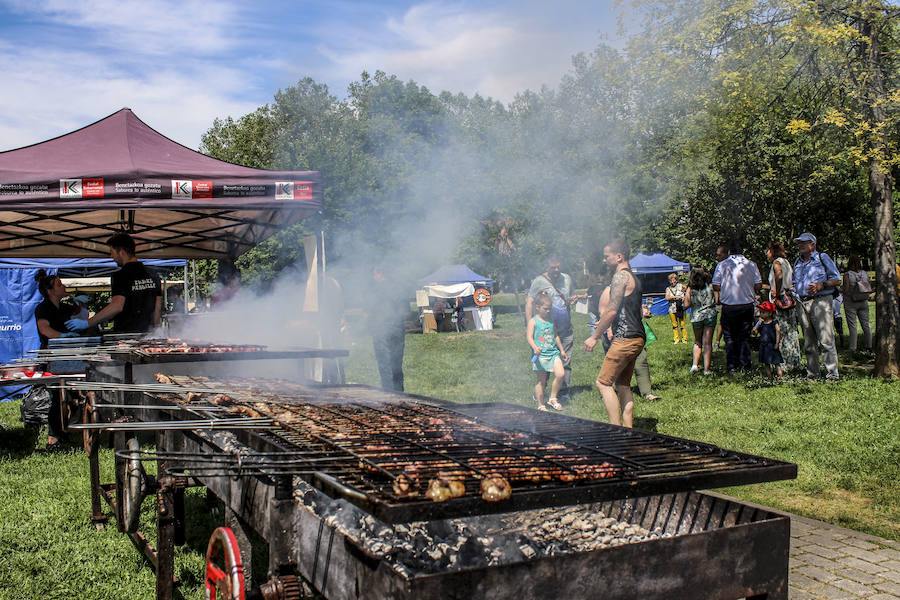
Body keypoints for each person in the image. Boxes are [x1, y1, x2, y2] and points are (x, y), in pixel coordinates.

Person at [584, 239, 645, 428]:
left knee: (603, 383)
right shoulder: (633, 277)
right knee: (623, 385)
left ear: (619, 257)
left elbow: (611, 310)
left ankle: (615, 430)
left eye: (607, 256)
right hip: (637, 338)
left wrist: (594, 336)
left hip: (625, 339)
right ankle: (628, 431)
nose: (604, 260)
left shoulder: (620, 277)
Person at [66, 233, 161, 334]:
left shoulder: (120, 276)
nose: (111, 257)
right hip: (148, 336)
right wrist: (156, 332)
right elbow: (157, 308)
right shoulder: (153, 274)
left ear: (122, 252)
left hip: (125, 336)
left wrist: (87, 323)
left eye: (112, 252)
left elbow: (117, 306)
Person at [32, 270, 78, 449]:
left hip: (68, 356)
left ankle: (65, 430)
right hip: (51, 356)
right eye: (59, 284)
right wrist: (65, 337)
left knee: (73, 394)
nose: (64, 286)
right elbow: (45, 330)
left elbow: (83, 317)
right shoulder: (42, 308)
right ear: (50, 291)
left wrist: (81, 307)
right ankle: (54, 437)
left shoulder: (66, 308)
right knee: (56, 397)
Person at [596, 285, 660, 401]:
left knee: (642, 360)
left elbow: (639, 308)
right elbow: (604, 312)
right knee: (613, 365)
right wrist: (609, 330)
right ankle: (606, 390)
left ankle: (647, 393)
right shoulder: (609, 290)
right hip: (615, 333)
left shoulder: (633, 290)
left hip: (634, 332)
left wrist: (644, 311)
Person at [792, 233, 841, 381]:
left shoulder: (822, 258)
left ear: (812, 244)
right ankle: (813, 374)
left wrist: (822, 285)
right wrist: (794, 292)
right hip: (802, 302)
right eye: (799, 243)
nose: (800, 245)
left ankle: (832, 374)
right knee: (808, 341)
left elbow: (837, 280)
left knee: (826, 339)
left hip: (821, 301)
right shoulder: (797, 262)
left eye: (804, 243)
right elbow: (794, 282)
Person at [526, 256, 575, 402]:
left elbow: (569, 296)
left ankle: (563, 392)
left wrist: (573, 299)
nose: (556, 270)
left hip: (565, 329)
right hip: (543, 331)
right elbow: (529, 301)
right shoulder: (539, 281)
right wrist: (530, 324)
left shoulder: (567, 278)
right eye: (553, 267)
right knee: (544, 361)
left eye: (558, 267)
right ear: (547, 267)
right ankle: (541, 391)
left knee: (565, 361)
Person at [712, 243, 762, 372]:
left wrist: (727, 286)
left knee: (729, 337)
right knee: (744, 336)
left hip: (729, 305)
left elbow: (715, 286)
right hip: (746, 305)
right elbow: (758, 285)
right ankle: (745, 364)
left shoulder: (722, 265)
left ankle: (732, 365)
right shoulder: (751, 264)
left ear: (729, 252)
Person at [368, 263, 408, 392]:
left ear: (380, 274)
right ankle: (399, 393)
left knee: (384, 364)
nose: (373, 277)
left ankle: (388, 394)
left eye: (374, 274)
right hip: (398, 330)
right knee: (397, 363)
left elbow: (369, 311)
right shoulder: (399, 288)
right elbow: (406, 311)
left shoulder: (376, 290)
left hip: (382, 330)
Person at [765, 241, 803, 373]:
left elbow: (779, 275)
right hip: (789, 296)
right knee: (791, 331)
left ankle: (783, 364)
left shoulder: (777, 263)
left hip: (781, 297)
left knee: (779, 330)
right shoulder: (787, 262)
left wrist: (776, 293)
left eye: (768, 250)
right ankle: (794, 362)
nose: (766, 253)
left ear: (772, 251)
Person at [527, 291, 568, 411]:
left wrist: (562, 350)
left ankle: (552, 398)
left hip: (553, 352)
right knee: (541, 381)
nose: (548, 311)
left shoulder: (551, 320)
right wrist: (535, 347)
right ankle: (540, 404)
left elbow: (555, 336)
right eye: (546, 309)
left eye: (550, 309)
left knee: (561, 374)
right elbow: (529, 337)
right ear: (537, 308)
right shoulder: (533, 321)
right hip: (540, 355)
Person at [684, 266, 717, 375]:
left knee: (698, 341)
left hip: (696, 316)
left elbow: (686, 304)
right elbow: (717, 300)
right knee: (707, 343)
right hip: (709, 315)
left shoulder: (690, 288)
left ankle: (694, 365)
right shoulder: (711, 286)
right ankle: (706, 370)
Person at [842, 255, 873, 352]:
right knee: (866, 325)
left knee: (853, 325)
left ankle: (853, 347)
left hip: (851, 302)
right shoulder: (864, 273)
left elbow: (846, 289)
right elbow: (868, 286)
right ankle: (869, 346)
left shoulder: (848, 275)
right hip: (863, 300)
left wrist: (840, 290)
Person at [752, 301, 784, 379]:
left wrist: (777, 343)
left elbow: (778, 330)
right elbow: (754, 333)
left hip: (772, 345)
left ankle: (781, 376)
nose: (761, 314)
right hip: (763, 345)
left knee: (777, 363)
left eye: (763, 312)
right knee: (766, 363)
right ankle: (770, 377)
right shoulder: (761, 324)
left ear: (770, 313)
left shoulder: (774, 322)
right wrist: (756, 327)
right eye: (760, 312)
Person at [665, 272, 688, 344]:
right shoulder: (668, 288)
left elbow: (687, 291)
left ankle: (684, 340)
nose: (672, 281)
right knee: (674, 325)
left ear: (676, 280)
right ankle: (676, 340)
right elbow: (667, 297)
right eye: (670, 279)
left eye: (674, 279)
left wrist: (684, 297)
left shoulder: (681, 286)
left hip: (680, 307)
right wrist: (676, 297)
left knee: (682, 324)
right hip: (672, 308)